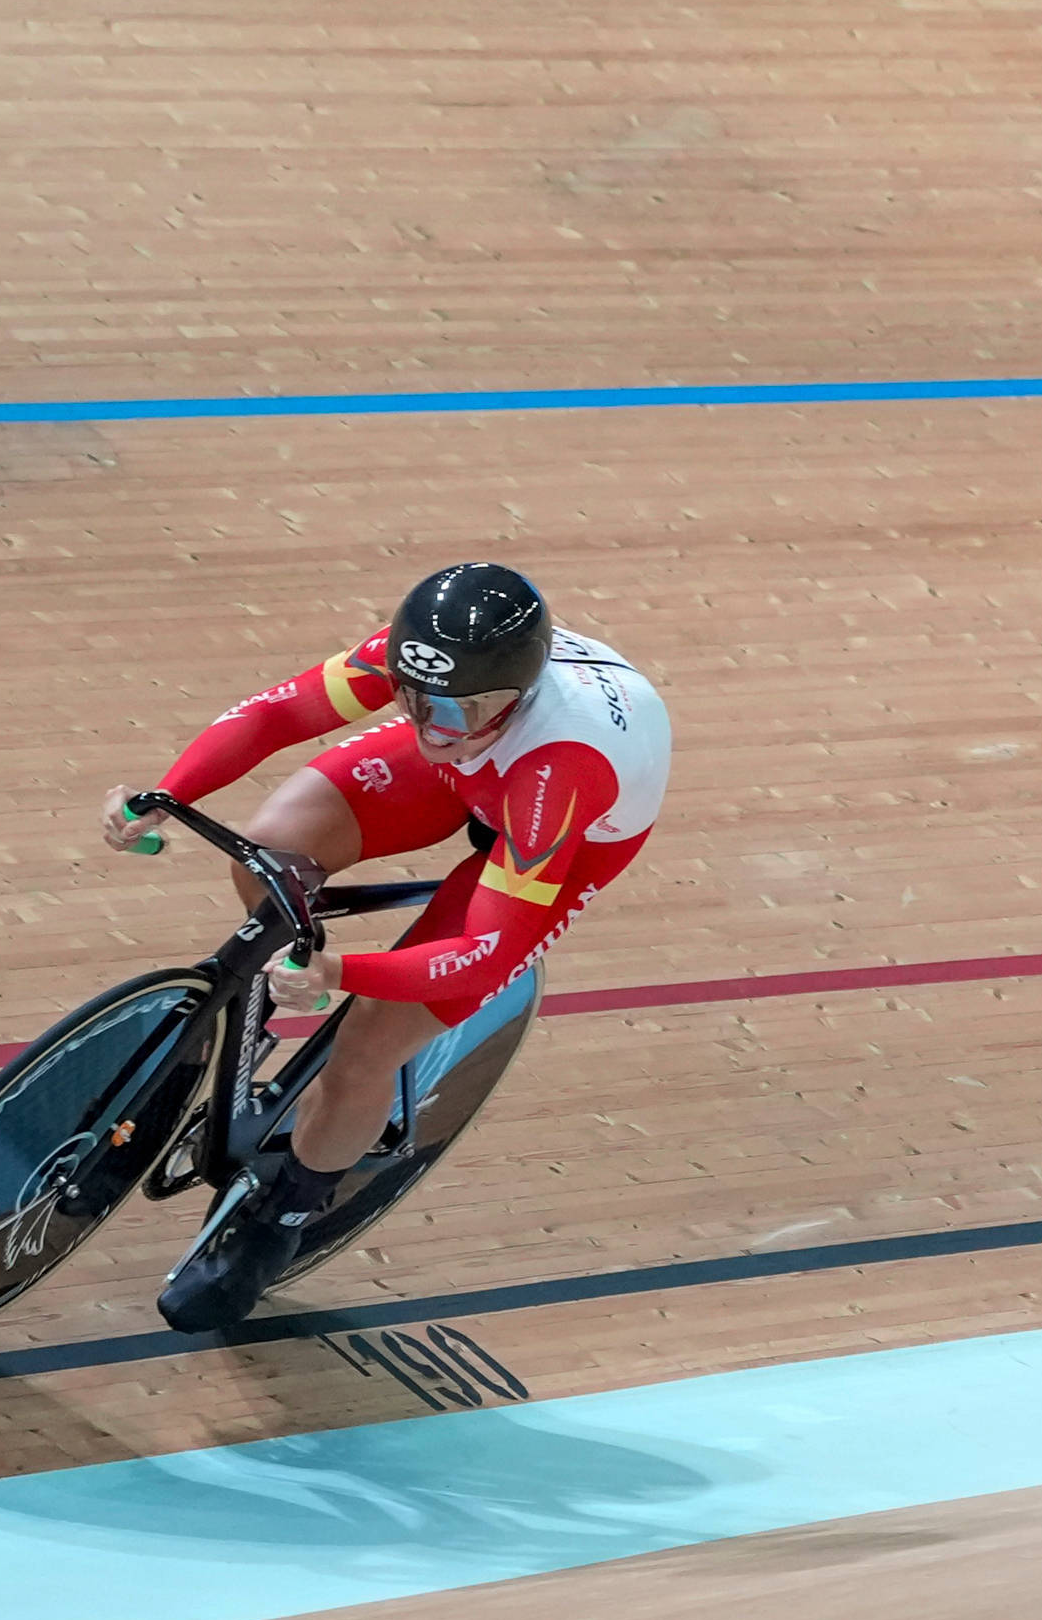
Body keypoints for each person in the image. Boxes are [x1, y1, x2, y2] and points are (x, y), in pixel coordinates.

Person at [100, 562, 672, 1329]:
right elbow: (282, 711)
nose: (429, 724)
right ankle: (267, 1011)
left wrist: (341, 971)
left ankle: (282, 1218)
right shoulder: (436, 666)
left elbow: (485, 950)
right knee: (269, 853)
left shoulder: (559, 769)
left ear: (513, 699)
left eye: (452, 710)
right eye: (411, 698)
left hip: (562, 824)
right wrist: (170, 792)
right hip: (478, 767)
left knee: (367, 1047)